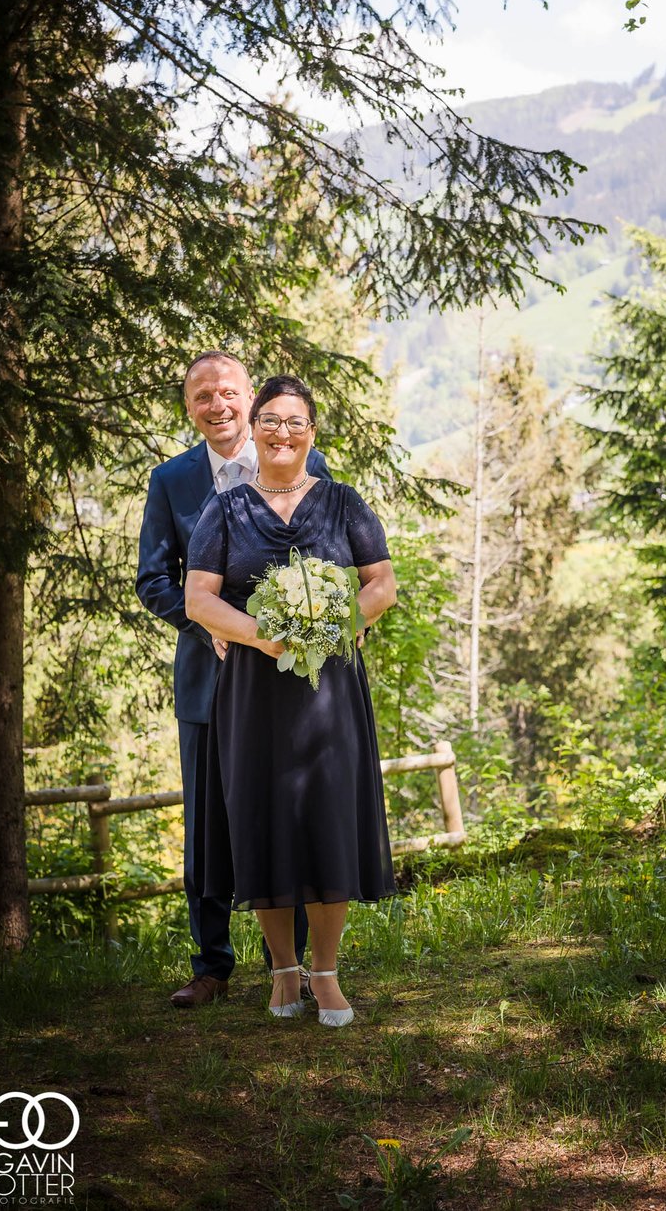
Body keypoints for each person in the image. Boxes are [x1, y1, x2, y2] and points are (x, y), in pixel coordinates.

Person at [184, 374, 397, 1025]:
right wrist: (262, 635)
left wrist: (330, 627)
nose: (281, 432)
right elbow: (199, 598)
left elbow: (381, 585)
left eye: (294, 422)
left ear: (312, 433)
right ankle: (282, 970)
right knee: (263, 821)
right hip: (253, 694)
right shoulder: (223, 511)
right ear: (253, 428)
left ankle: (326, 973)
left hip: (330, 690)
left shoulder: (344, 503)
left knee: (327, 820)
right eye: (269, 420)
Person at [137, 352, 332, 1008]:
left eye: (226, 392)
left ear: (250, 401)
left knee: (292, 817)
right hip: (208, 683)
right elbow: (155, 580)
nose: (215, 405)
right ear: (189, 408)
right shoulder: (172, 482)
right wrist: (206, 626)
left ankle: (297, 967)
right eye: (201, 396)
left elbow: (327, 558)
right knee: (208, 826)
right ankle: (210, 968)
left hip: (284, 678)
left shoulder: (300, 459)